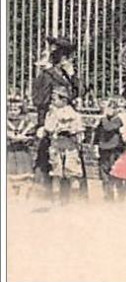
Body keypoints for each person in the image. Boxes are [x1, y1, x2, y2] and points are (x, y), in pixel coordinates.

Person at [30, 37, 79, 183]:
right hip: (52, 124)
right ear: (61, 57)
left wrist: (72, 76)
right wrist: (43, 124)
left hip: (68, 124)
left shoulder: (68, 75)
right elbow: (39, 101)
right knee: (50, 161)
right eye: (68, 56)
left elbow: (80, 92)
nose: (70, 60)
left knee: (71, 161)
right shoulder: (46, 75)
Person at [38, 87, 85, 203]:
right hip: (56, 146)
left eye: (54, 99)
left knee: (73, 173)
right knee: (56, 174)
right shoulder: (51, 114)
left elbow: (80, 132)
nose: (52, 102)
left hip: (70, 147)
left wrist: (72, 133)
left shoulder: (74, 115)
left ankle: (74, 200)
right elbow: (48, 128)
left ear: (64, 100)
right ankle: (56, 200)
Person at [92, 99, 126, 199]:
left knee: (116, 173)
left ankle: (120, 196)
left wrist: (102, 117)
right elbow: (97, 134)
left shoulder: (117, 120)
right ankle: (108, 196)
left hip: (114, 149)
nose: (108, 110)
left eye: (111, 107)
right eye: (107, 107)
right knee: (105, 174)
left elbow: (108, 127)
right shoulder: (102, 120)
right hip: (103, 149)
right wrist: (95, 146)